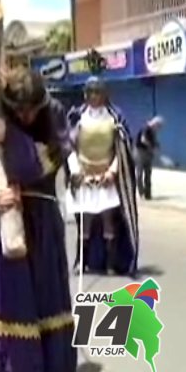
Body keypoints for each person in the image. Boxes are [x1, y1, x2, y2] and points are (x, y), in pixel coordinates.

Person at [0, 67, 77, 372]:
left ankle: (57, 371)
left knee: (49, 295)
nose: (26, 116)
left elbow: (42, 163)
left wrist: (10, 136)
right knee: (12, 299)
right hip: (4, 220)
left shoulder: (53, 114)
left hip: (41, 220)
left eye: (32, 109)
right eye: (20, 111)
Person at [66, 76, 138, 276]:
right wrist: (78, 172)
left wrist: (113, 171)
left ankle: (111, 263)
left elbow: (121, 149)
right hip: (85, 177)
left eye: (98, 92)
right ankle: (83, 260)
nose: (94, 96)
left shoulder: (114, 119)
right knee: (85, 222)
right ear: (86, 94)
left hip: (107, 177)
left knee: (109, 221)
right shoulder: (77, 118)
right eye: (91, 92)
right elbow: (70, 149)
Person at [135, 116, 163, 199]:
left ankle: (148, 194)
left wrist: (157, 145)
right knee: (139, 174)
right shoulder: (145, 128)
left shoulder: (153, 131)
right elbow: (143, 140)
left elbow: (153, 141)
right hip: (140, 152)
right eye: (159, 126)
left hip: (148, 153)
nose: (158, 129)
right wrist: (151, 147)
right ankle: (141, 192)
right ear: (155, 124)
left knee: (148, 174)